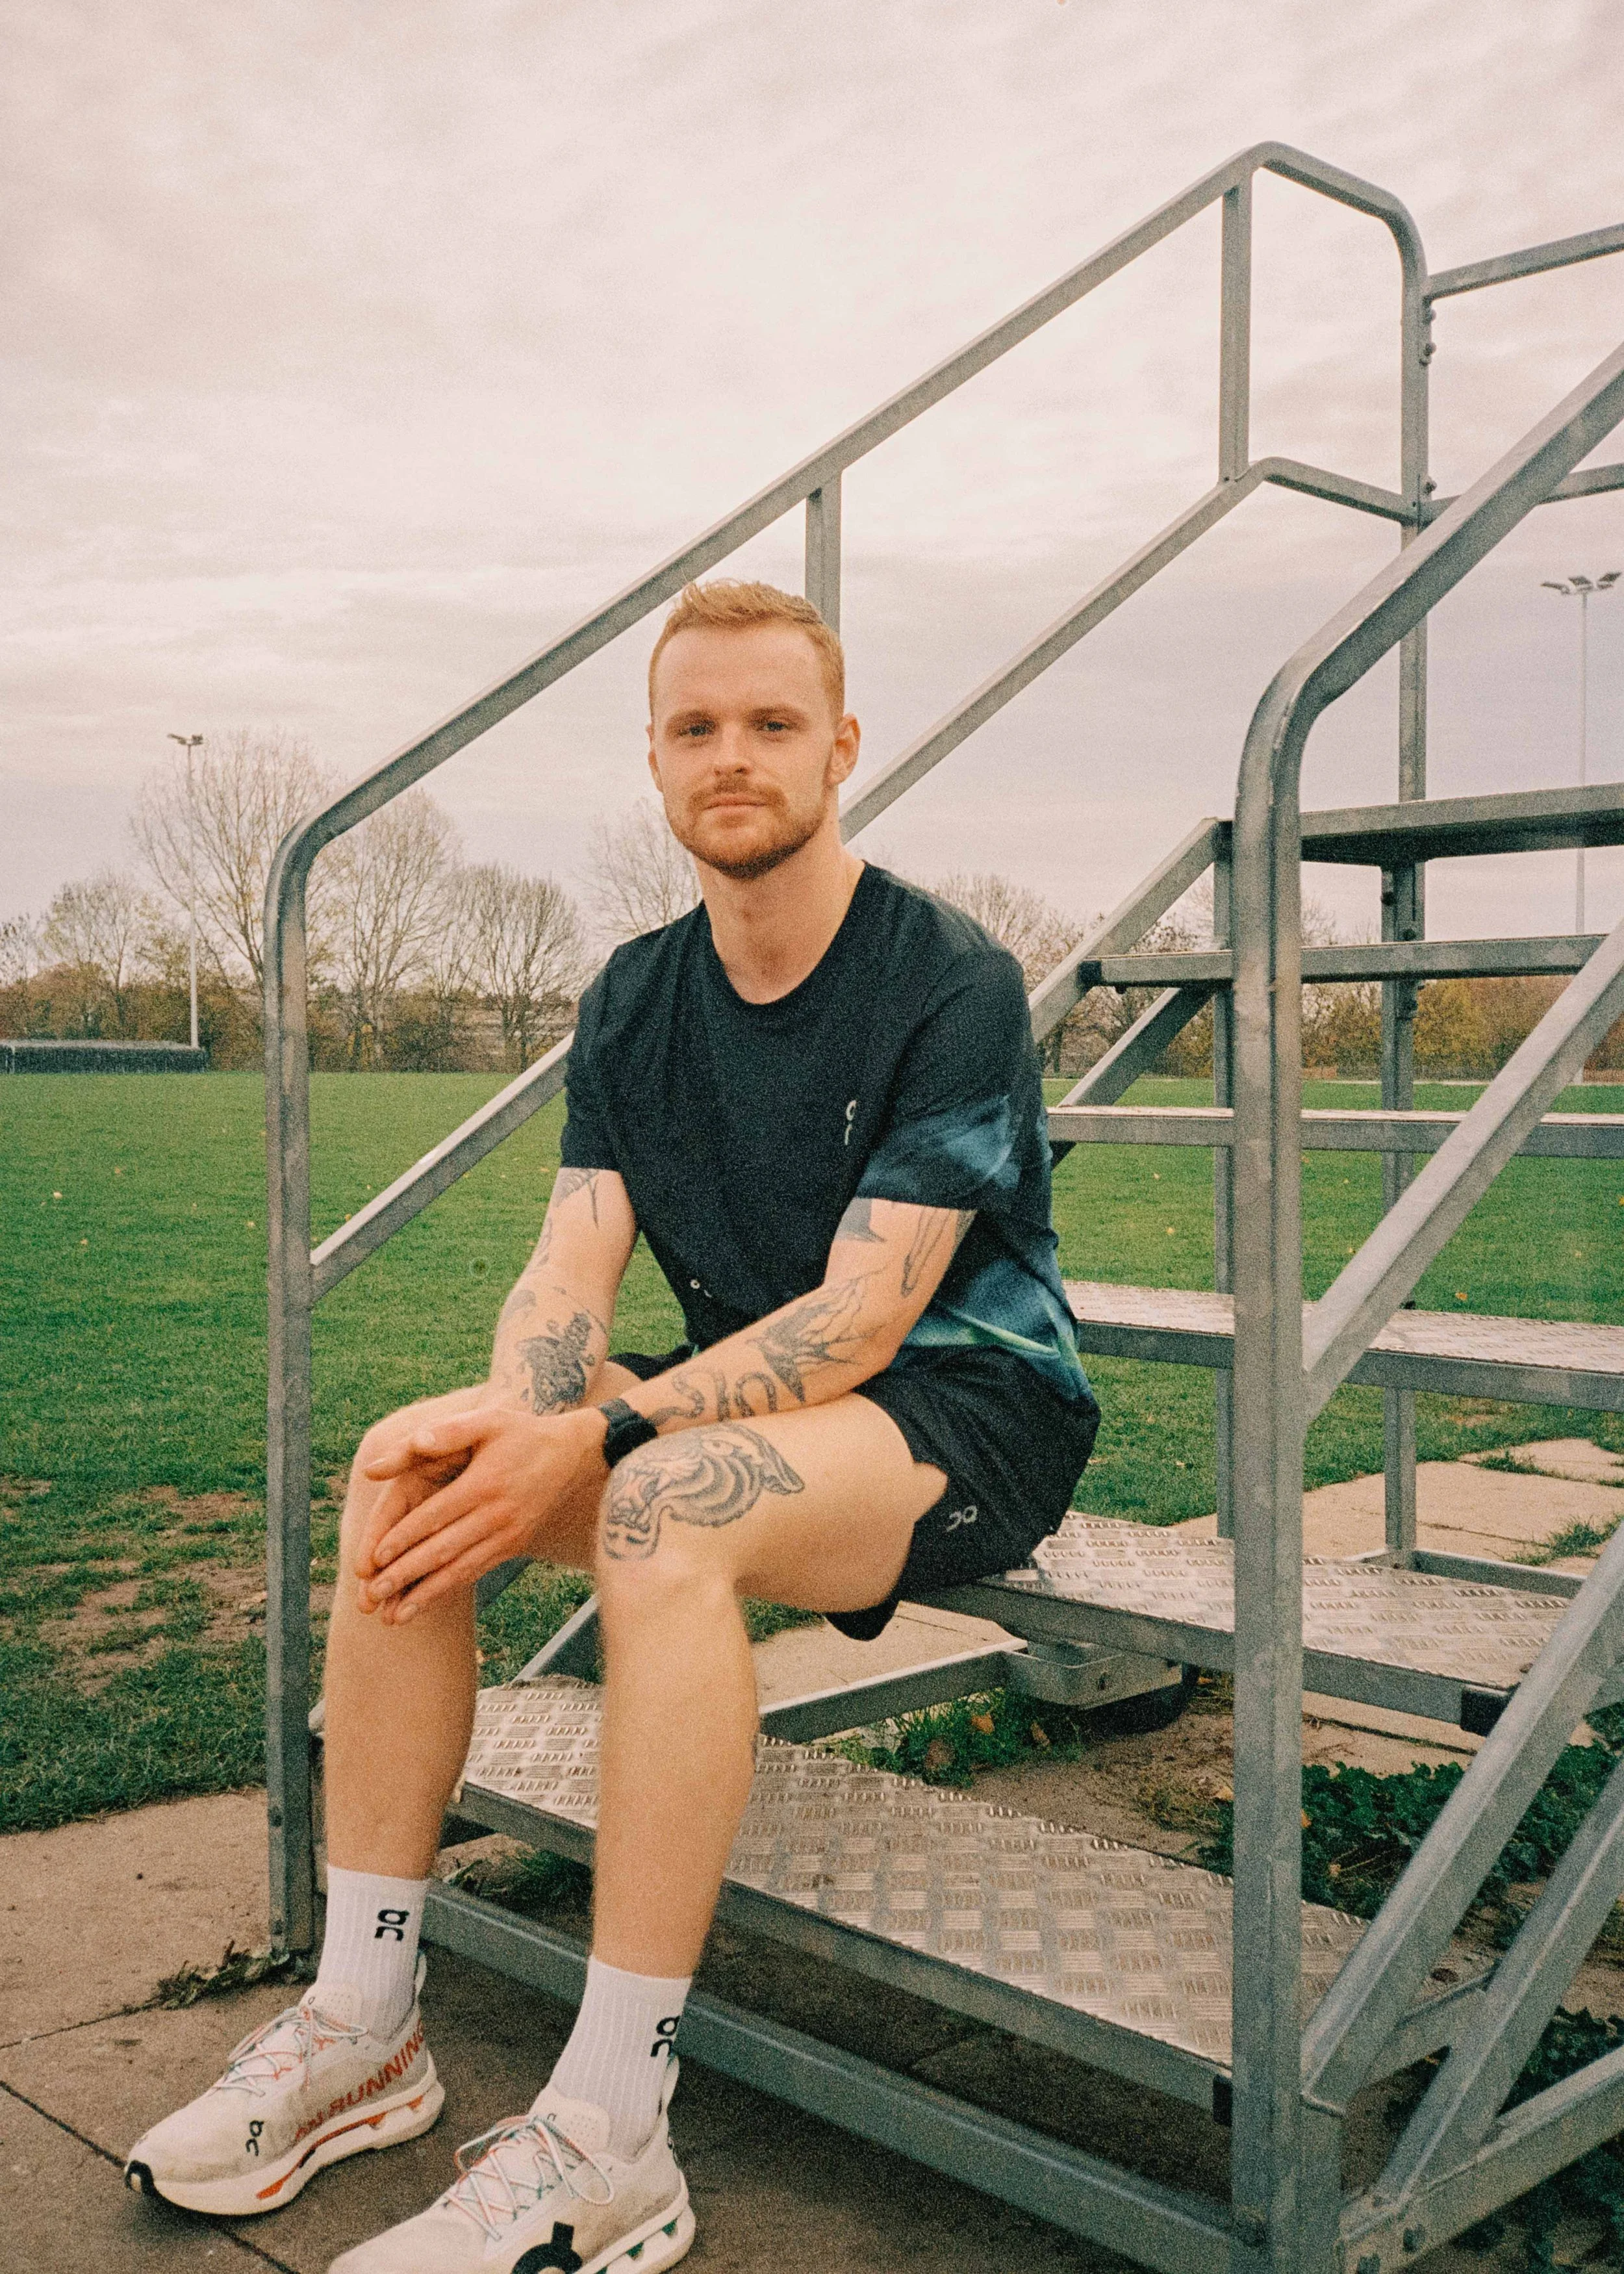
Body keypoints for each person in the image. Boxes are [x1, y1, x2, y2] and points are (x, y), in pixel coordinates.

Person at [125, 579, 1100, 2274]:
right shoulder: (636, 993)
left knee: (660, 1505)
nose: (732, 755)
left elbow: (863, 1314)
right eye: (694, 725)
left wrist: (603, 1437)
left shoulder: (945, 974)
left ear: (841, 747)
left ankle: (614, 2129)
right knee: (405, 1461)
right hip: (749, 1405)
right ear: (655, 758)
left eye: (771, 722)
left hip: (963, 1405)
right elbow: (571, 1264)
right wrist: (523, 1412)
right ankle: (365, 2022)